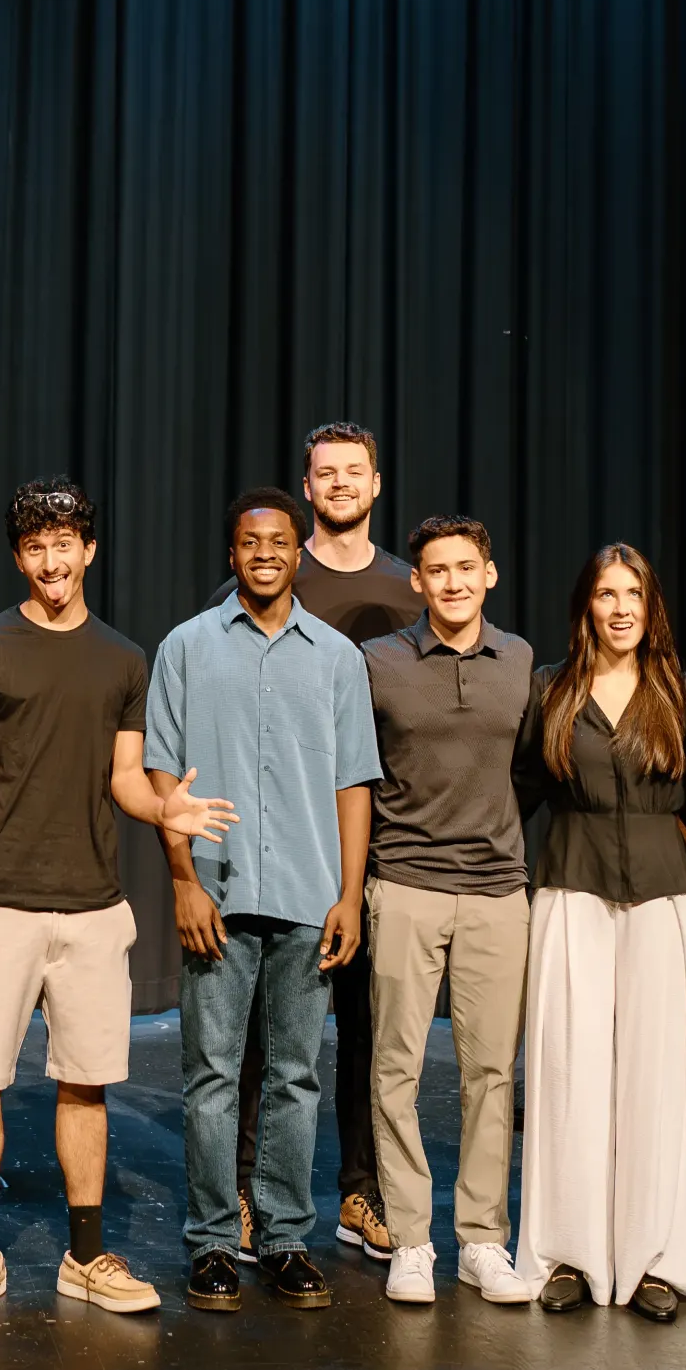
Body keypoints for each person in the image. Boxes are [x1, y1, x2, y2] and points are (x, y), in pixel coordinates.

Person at [0, 477, 236, 1318]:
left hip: (93, 905)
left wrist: (166, 808)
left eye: (64, 544)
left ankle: (88, 1256)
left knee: (86, 1084)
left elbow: (126, 780)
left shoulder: (122, 659)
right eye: (35, 547)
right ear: (18, 557)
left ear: (89, 551)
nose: (51, 560)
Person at [150, 490, 380, 1314]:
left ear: (296, 552)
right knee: (212, 1075)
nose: (266, 554)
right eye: (251, 542)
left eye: (280, 542)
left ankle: (284, 1239)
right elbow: (161, 777)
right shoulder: (186, 646)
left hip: (309, 898)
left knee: (294, 1076)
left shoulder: (336, 659)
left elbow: (354, 783)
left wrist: (348, 896)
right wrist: (181, 879)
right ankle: (215, 1240)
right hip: (215, 891)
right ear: (234, 551)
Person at [208, 420, 414, 1266]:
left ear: (374, 485)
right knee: (263, 1035)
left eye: (352, 473)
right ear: (306, 487)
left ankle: (359, 1191)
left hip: (380, 839)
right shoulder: (269, 576)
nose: (338, 485)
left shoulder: (411, 588)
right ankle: (252, 1197)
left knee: (368, 1027)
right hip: (275, 848)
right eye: (324, 474)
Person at [512, 544, 686, 1323]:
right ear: (586, 606)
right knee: (570, 1074)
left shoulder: (682, 694)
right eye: (606, 593)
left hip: (664, 901)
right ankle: (568, 1255)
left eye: (634, 593)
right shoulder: (550, 693)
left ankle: (658, 1260)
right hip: (570, 893)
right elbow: (520, 791)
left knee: (659, 1082)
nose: (621, 607)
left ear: (651, 605)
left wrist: (671, 846)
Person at [363, 515, 537, 1307]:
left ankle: (481, 1240)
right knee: (395, 1067)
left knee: (491, 1073)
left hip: (498, 890)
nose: (454, 582)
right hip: (404, 884)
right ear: (418, 581)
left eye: (467, 567)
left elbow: (530, 770)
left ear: (489, 574)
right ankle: (409, 1240)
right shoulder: (379, 662)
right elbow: (355, 779)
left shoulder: (520, 660)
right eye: (438, 570)